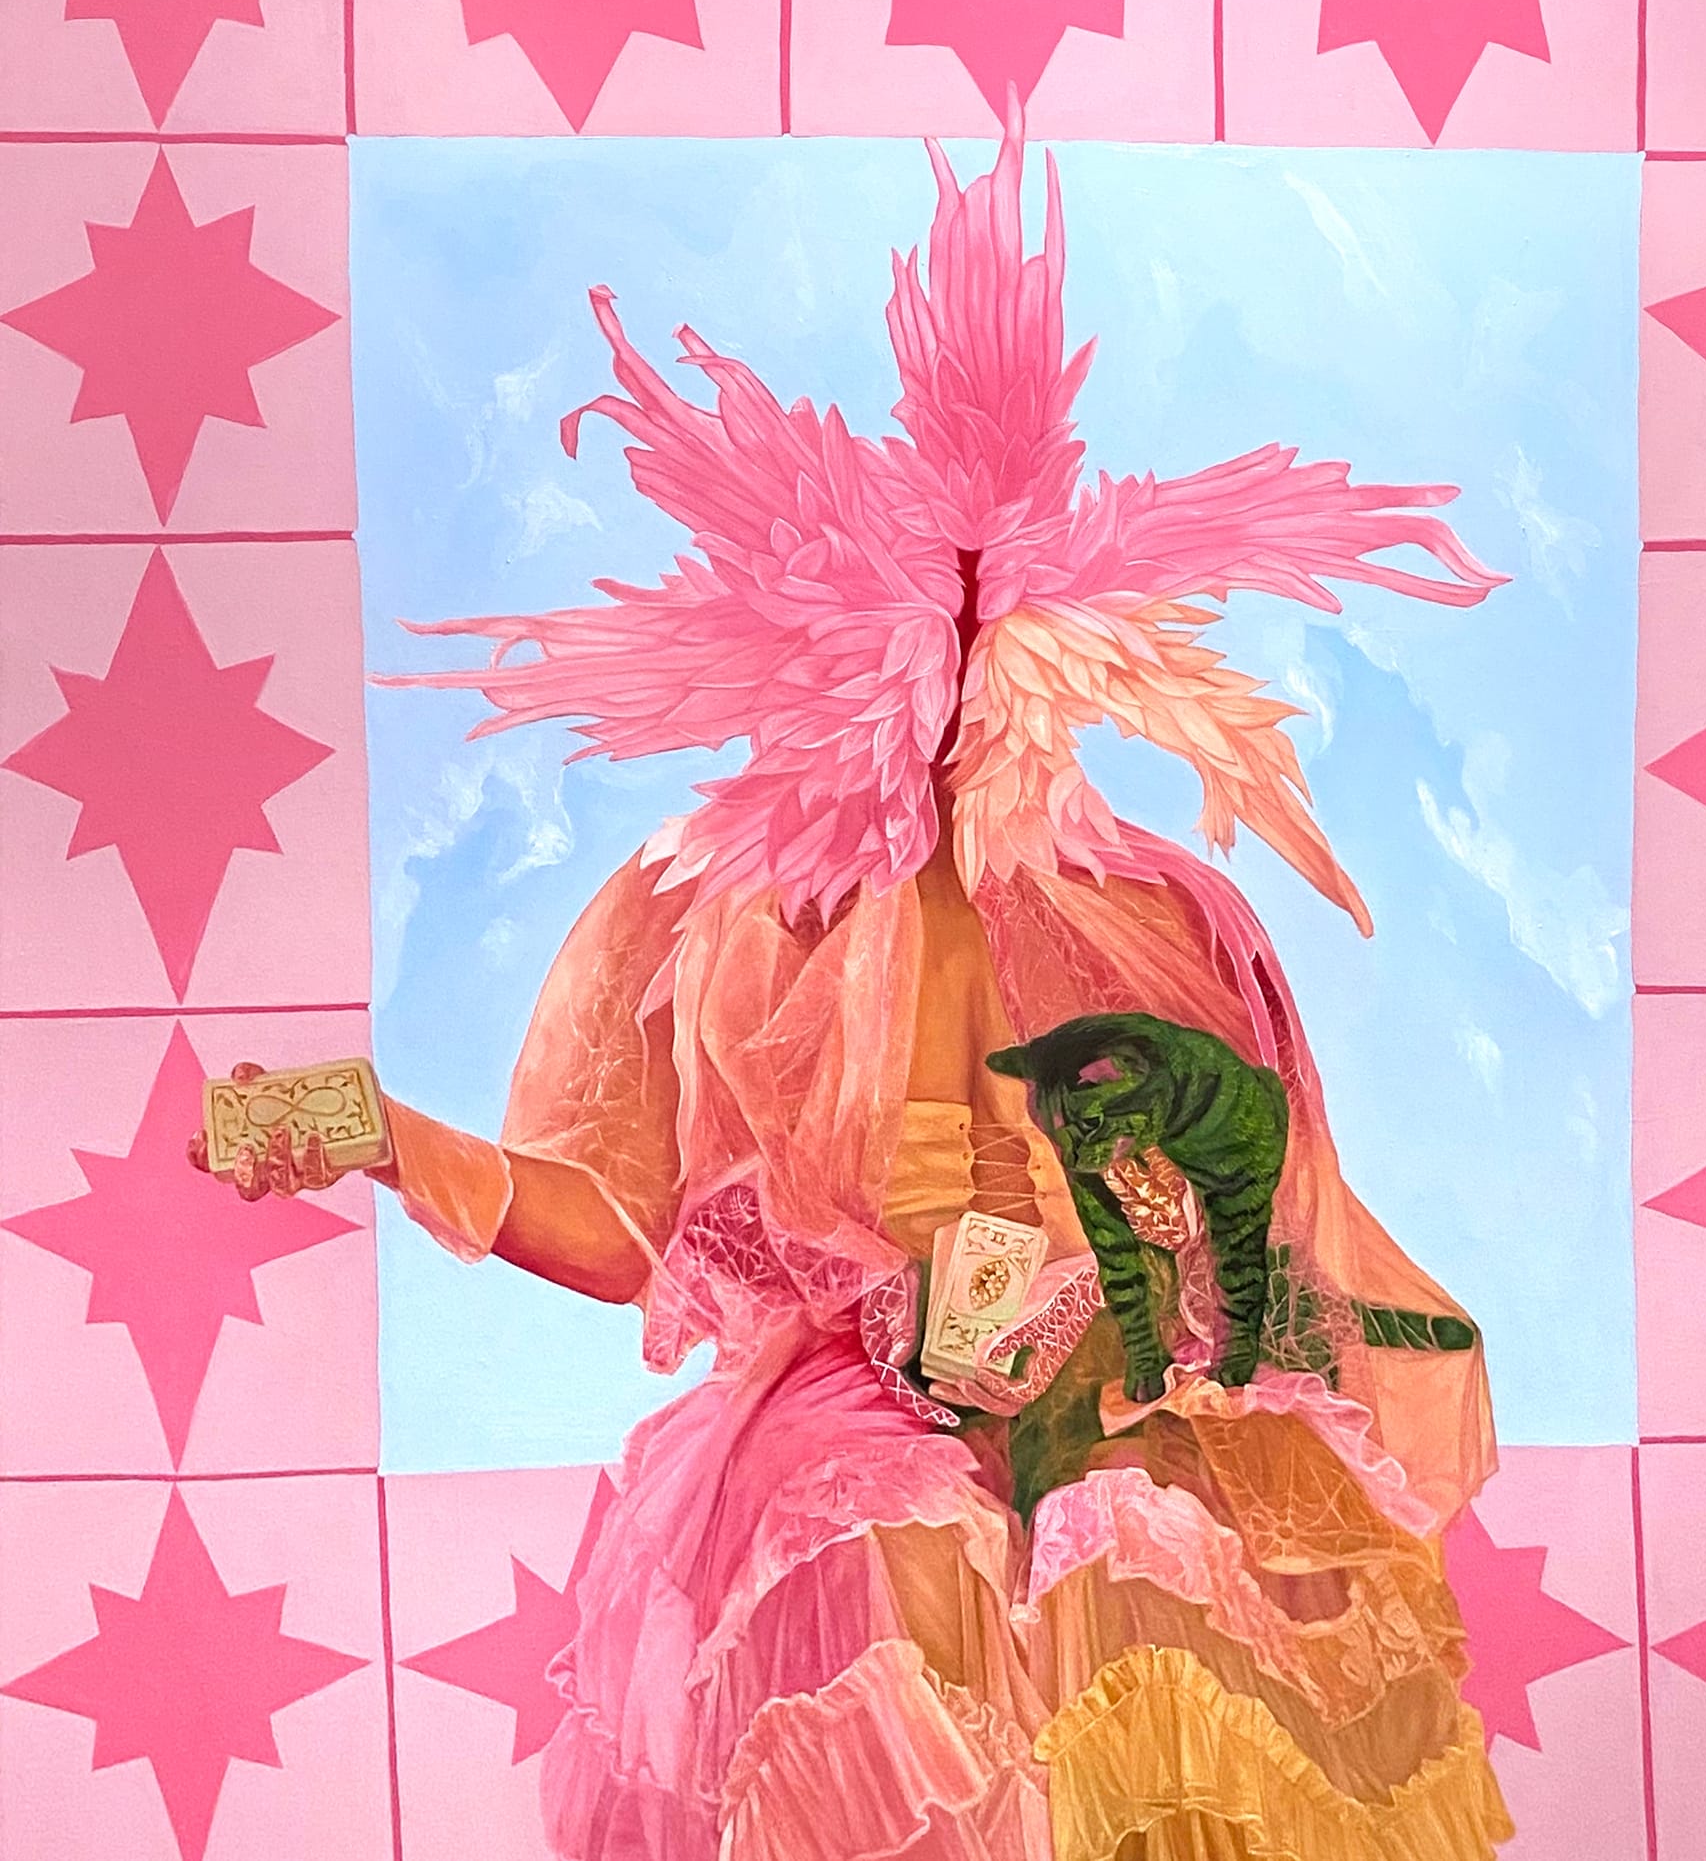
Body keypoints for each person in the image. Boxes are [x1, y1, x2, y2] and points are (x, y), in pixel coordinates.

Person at [198, 117, 1515, 1861]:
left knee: (1141, 1586)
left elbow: (1252, 1230)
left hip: (1109, 1398)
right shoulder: (709, 917)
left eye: (993, 648)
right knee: (873, 1562)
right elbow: (620, 1222)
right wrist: (379, 1130)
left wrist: (1089, 1250)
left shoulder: (1150, 921)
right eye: (912, 648)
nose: (951, 692)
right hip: (851, 1422)